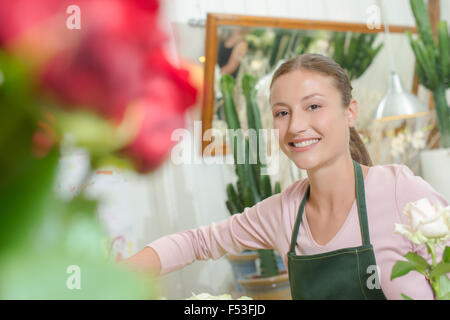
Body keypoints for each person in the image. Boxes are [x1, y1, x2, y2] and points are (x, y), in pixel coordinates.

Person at [122, 53, 449, 300]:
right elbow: (196, 242)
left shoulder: (399, 190)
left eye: (314, 106)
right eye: (282, 112)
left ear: (350, 112)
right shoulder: (283, 213)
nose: (295, 126)